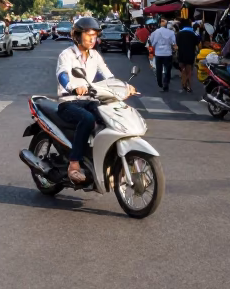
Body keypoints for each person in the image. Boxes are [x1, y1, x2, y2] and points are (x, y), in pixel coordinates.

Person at [56, 17, 135, 185]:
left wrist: (125, 87)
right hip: (69, 101)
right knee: (87, 118)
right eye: (88, 35)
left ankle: (100, 157)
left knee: (109, 116)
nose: (92, 39)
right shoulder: (67, 55)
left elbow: (108, 75)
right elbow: (62, 74)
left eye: (95, 35)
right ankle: (74, 163)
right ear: (77, 36)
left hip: (89, 100)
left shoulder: (95, 55)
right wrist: (72, 87)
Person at [148, 18, 177, 92]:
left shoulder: (155, 32)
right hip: (168, 53)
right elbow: (174, 43)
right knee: (167, 70)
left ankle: (159, 82)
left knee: (159, 69)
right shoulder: (171, 33)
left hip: (158, 53)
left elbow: (151, 41)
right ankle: (166, 83)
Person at [176, 20, 199, 93]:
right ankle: (189, 86)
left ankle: (183, 85)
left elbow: (177, 43)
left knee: (183, 70)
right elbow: (197, 42)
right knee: (189, 71)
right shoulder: (193, 34)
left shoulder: (179, 34)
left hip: (181, 54)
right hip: (190, 54)